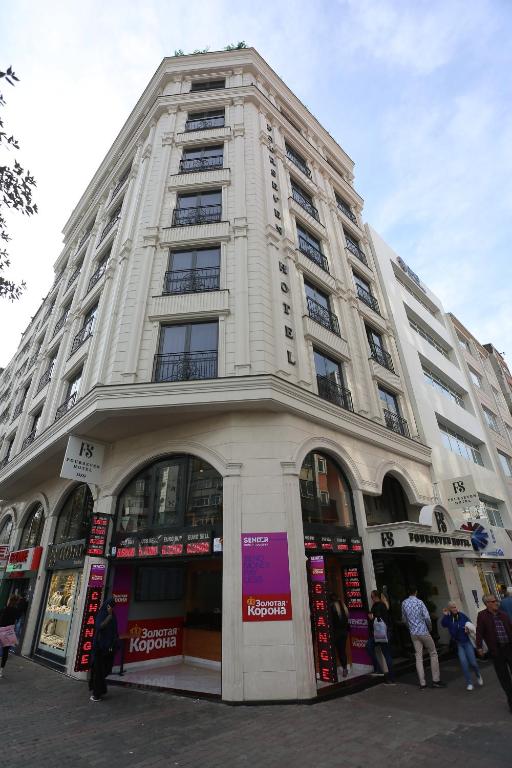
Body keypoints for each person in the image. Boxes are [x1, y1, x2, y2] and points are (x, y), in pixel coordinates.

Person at [401, 586, 446, 690]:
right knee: (433, 653)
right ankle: (436, 680)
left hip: (413, 633)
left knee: (418, 656)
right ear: (416, 592)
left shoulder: (404, 603)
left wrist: (410, 627)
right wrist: (430, 628)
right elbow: (427, 617)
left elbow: (404, 619)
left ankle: (422, 683)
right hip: (423, 631)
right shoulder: (420, 602)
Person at [476, 593, 512, 713]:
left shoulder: (504, 614)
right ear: (487, 604)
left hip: (509, 648)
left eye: (496, 600)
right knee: (504, 679)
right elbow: (479, 632)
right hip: (497, 652)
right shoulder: (482, 616)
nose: (496, 602)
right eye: (493, 601)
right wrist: (479, 646)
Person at [441, 601, 483, 691]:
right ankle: (469, 683)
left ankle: (478, 675)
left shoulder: (462, 615)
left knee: (473, 663)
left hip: (467, 642)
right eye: (452, 607)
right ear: (449, 609)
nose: (454, 609)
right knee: (464, 664)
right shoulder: (448, 618)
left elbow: (470, 624)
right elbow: (443, 624)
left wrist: (468, 629)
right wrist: (445, 615)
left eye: (455, 607)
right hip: (459, 644)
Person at [89, 596, 119, 702]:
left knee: (105, 669)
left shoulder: (113, 615)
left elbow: (114, 630)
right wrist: (109, 616)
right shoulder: (102, 614)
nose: (111, 607)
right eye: (110, 605)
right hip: (99, 648)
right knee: (99, 671)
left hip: (108, 649)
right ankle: (96, 693)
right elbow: (100, 626)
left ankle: (99, 689)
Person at [366, 590, 395, 684]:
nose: (371, 598)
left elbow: (378, 618)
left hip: (380, 634)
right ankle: (389, 676)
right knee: (386, 654)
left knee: (371, 647)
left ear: (375, 596)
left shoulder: (378, 606)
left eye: (372, 596)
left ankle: (383, 672)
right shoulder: (383, 605)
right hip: (384, 633)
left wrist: (372, 618)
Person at [329, 592, 349, 679]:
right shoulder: (344, 607)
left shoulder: (332, 607)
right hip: (344, 633)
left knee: (332, 652)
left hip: (335, 633)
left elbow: (330, 621)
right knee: (342, 651)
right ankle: (345, 668)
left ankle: (333, 671)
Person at [0, 596, 19, 679]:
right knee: (6, 652)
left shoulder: (5, 609)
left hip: (1, 630)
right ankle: (1, 670)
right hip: (9, 632)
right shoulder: (16, 611)